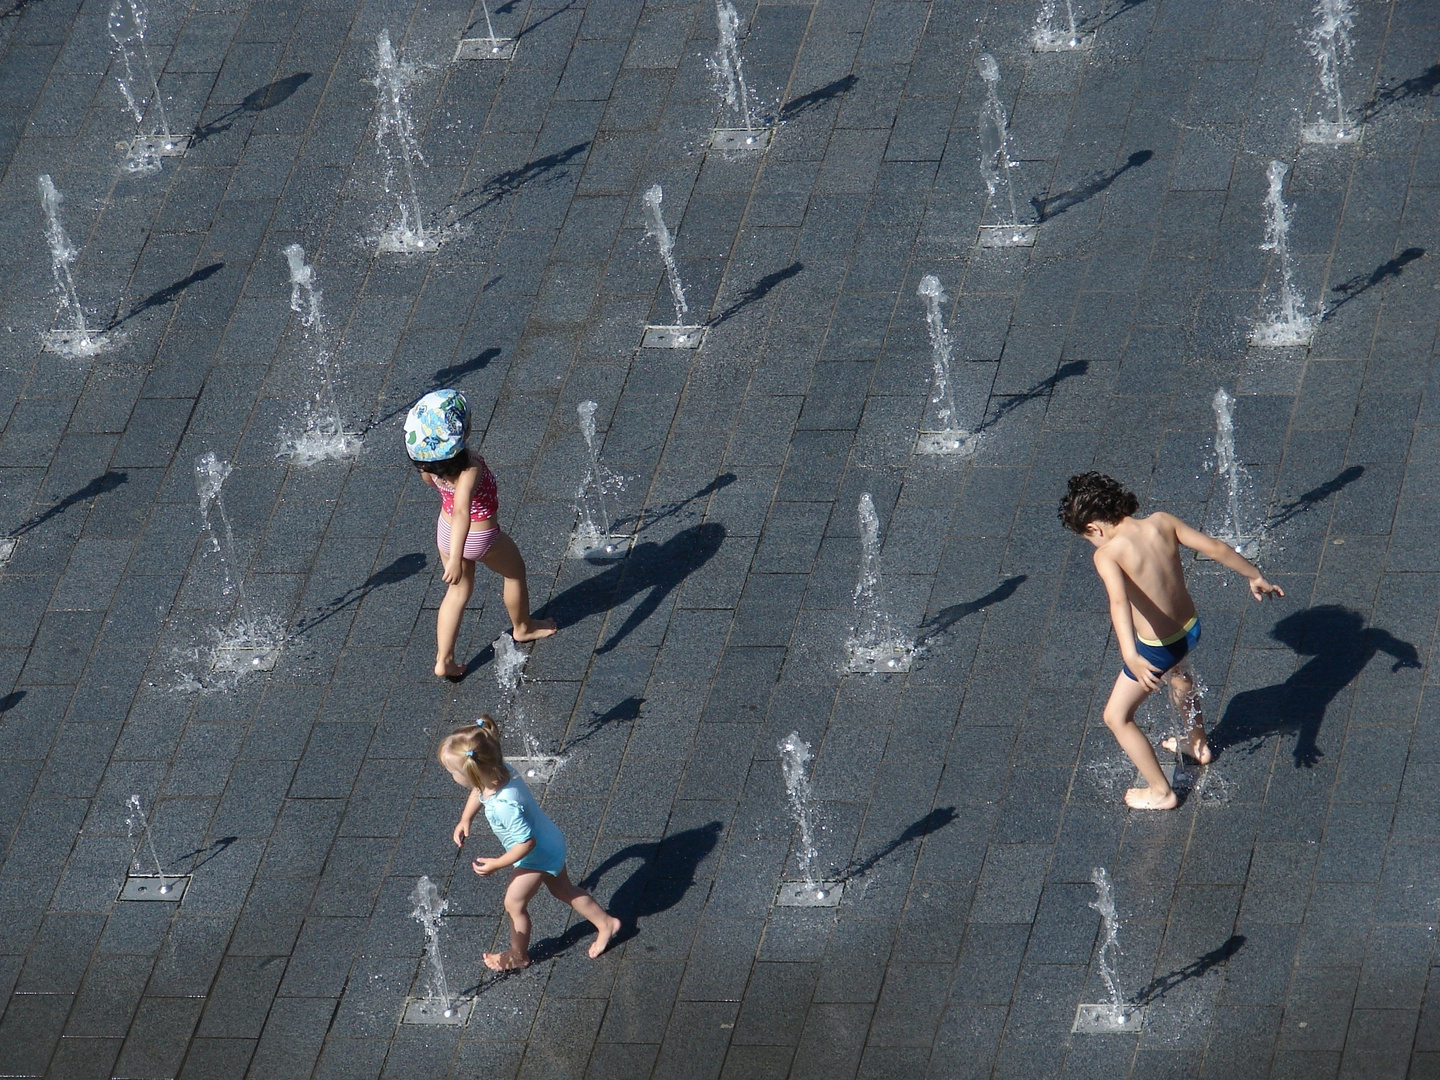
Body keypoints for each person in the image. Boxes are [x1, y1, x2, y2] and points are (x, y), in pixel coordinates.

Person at [1059, 473, 1284, 809]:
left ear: (1094, 527)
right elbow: (1216, 547)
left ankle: (1161, 792)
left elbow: (1118, 603)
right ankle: (1198, 744)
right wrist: (1254, 575)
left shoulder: (1108, 554)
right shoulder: (1161, 522)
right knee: (1179, 675)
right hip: (1189, 628)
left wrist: (1131, 655)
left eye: (1087, 537)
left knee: (1116, 717)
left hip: (1156, 647)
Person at [440, 716, 620, 969]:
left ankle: (518, 955)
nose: (450, 775)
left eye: (451, 772)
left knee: (514, 903)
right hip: (550, 841)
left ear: (471, 773)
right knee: (563, 891)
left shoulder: (504, 806)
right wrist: (465, 818)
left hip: (536, 854)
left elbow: (526, 843)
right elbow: (478, 791)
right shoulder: (499, 772)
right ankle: (606, 923)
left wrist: (497, 864)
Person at [404, 390, 555, 679]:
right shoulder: (469, 468)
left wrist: (453, 558)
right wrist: (456, 558)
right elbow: (463, 511)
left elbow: (442, 497)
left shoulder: (430, 468)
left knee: (458, 591)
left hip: (445, 531)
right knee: (515, 572)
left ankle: (443, 660)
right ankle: (523, 627)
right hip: (477, 536)